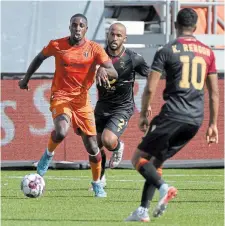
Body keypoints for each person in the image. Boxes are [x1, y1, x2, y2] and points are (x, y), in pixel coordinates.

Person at [125, 8, 219, 222]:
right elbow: (214, 93)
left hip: (172, 115)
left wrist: (144, 114)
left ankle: (164, 188)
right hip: (194, 120)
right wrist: (212, 124)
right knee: (155, 162)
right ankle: (142, 211)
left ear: (175, 26)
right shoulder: (208, 53)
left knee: (137, 158)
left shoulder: (167, 50)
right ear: (195, 28)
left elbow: (150, 87)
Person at [18, 13, 118, 198]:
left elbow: (113, 72)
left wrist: (103, 68)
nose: (77, 28)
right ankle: (47, 156)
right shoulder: (57, 45)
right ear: (70, 27)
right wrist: (26, 79)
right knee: (61, 131)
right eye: (74, 24)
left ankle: (97, 184)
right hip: (61, 96)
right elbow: (39, 58)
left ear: (86, 29)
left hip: (82, 102)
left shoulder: (95, 49)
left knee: (92, 148)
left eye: (81, 25)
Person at [94, 22, 150, 187]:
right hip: (102, 106)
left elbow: (151, 76)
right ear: (107, 35)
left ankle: (118, 147)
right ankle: (100, 178)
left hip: (122, 107)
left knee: (108, 140)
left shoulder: (134, 58)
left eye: (119, 35)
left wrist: (147, 101)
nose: (114, 38)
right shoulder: (98, 55)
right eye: (112, 34)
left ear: (125, 38)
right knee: (95, 145)